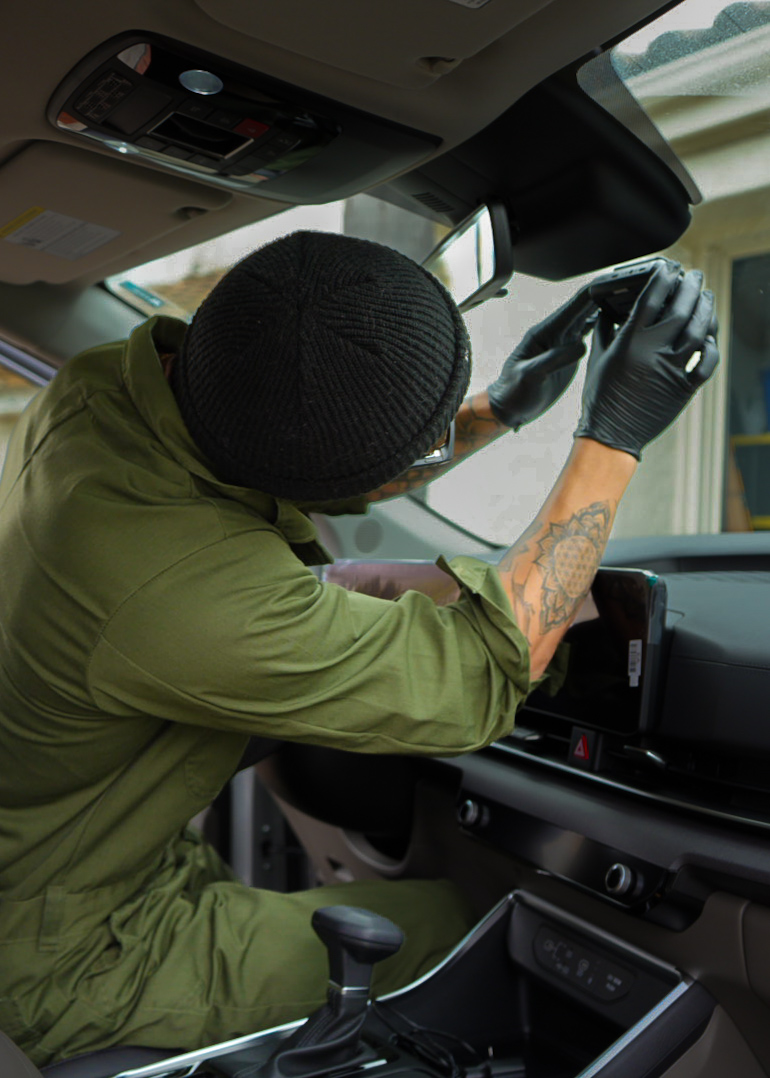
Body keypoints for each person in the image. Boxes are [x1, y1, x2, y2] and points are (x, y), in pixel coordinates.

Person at [0, 231, 717, 1066]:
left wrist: (502, 406)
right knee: (458, 927)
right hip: (62, 956)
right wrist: (614, 436)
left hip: (94, 865)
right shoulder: (179, 594)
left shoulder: (103, 390)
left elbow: (297, 452)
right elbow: (484, 672)